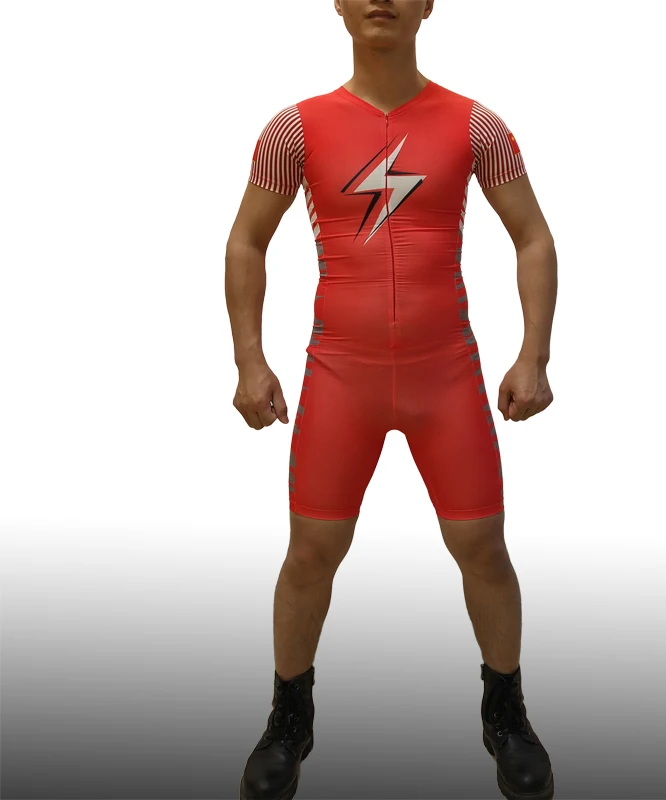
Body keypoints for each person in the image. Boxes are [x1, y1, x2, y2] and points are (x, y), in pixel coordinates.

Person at [225, 1, 558, 798]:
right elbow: (246, 240)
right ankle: (289, 715)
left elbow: (534, 236)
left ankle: (506, 710)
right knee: (312, 552)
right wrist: (249, 361)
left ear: (429, 3)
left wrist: (534, 355)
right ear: (338, 3)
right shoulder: (293, 130)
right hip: (343, 375)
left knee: (482, 546)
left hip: (447, 375)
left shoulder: (475, 125)